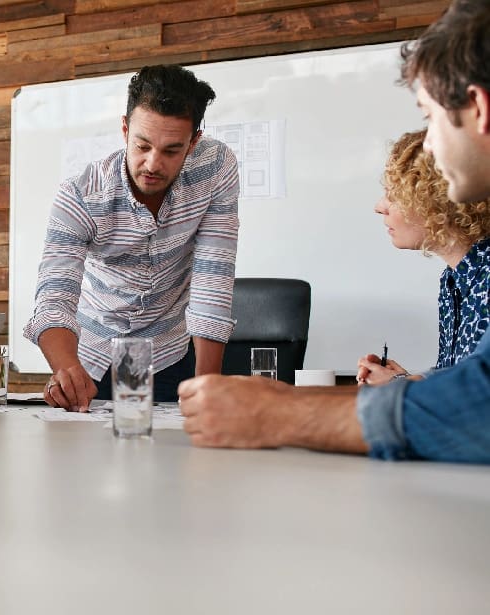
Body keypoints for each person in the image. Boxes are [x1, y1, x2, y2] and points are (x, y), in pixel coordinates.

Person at [179, 0, 490, 463]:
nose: (429, 147)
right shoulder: (458, 279)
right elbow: (473, 383)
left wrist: (279, 413)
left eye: (430, 118)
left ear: (478, 109)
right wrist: (406, 387)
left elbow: (476, 410)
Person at [24, 64, 239, 411]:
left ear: (193, 141)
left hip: (169, 350)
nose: (153, 164)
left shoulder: (215, 167)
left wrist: (206, 386)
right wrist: (65, 368)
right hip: (95, 355)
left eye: (171, 150)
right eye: (142, 145)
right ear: (125, 129)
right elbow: (54, 296)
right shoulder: (80, 195)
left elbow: (213, 277)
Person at [357, 130, 490, 385]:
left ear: (437, 203)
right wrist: (403, 380)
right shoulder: (454, 278)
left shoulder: (486, 282)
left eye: (394, 195)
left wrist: (400, 387)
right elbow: (458, 382)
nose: (379, 206)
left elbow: (475, 406)